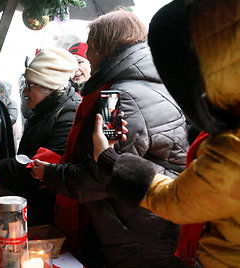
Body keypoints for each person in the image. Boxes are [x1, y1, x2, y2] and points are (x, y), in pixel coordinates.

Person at [30, 10, 191, 267]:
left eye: (91, 49)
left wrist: (49, 174)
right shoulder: (155, 84)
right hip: (157, 223)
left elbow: (100, 175)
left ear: (105, 50)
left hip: (133, 233)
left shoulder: (116, 99)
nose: (87, 57)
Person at [92, 0, 240, 267]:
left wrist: (108, 157)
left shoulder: (231, 148)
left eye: (91, 47)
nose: (87, 55)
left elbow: (176, 200)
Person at [0, 47, 81, 226]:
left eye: (29, 85)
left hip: (53, 219)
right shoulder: (41, 112)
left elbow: (37, 168)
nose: (24, 92)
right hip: (35, 212)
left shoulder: (70, 113)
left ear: (48, 88)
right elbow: (24, 158)